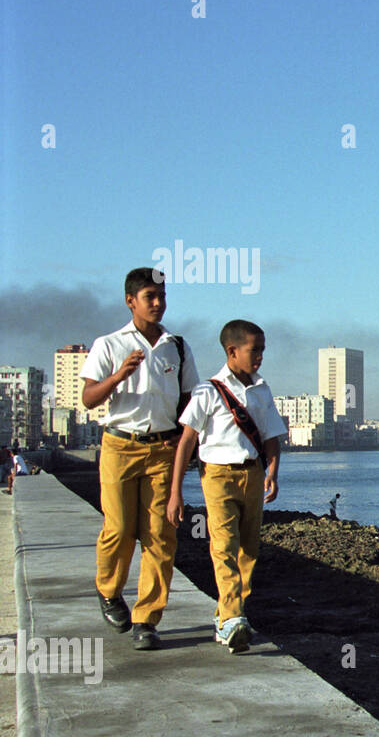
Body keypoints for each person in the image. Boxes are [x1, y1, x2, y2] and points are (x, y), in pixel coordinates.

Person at [81, 268, 198, 650]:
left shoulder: (176, 346)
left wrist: (189, 447)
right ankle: (109, 590)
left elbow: (187, 402)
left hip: (163, 449)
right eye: (150, 296)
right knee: (118, 529)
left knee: (161, 535)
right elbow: (88, 399)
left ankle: (147, 618)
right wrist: (118, 376)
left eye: (162, 295)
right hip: (119, 446)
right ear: (130, 300)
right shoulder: (109, 344)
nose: (158, 303)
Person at [166, 320, 286, 654]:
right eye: (254, 350)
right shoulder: (207, 391)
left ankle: (228, 617)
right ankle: (233, 616)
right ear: (232, 351)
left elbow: (272, 436)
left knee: (249, 549)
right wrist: (176, 492)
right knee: (223, 545)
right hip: (217, 475)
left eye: (262, 350)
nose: (260, 357)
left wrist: (273, 471)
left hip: (252, 472)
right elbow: (187, 441)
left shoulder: (262, 389)